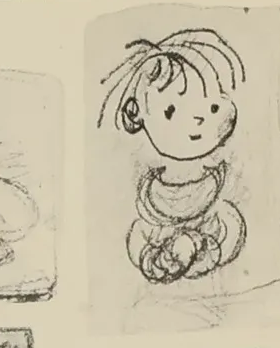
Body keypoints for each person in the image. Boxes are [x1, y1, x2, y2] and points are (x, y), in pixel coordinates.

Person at [97, 26, 248, 285]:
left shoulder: (219, 200)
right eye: (171, 111)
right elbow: (139, 239)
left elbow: (231, 234)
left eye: (212, 106)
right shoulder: (150, 205)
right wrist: (156, 259)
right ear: (136, 116)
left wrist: (202, 245)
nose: (198, 120)